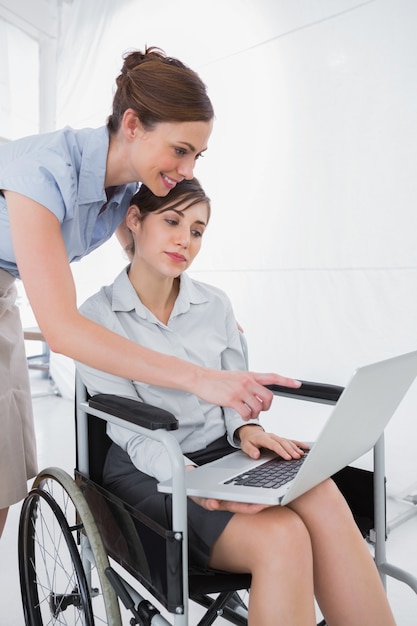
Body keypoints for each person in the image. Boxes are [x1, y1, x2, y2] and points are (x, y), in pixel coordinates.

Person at [0, 46, 298, 538]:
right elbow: (62, 330)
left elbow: (142, 255)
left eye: (197, 155)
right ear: (133, 124)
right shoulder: (44, 174)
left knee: (5, 480)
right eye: (180, 150)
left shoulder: (124, 189)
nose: (188, 168)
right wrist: (199, 377)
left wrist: (198, 312)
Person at [76, 179, 396, 626]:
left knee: (321, 491)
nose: (184, 240)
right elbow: (131, 433)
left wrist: (248, 430)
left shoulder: (214, 305)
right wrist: (194, 482)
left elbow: (233, 395)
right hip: (154, 472)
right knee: (282, 537)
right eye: (172, 221)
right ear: (135, 220)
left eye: (197, 230)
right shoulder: (96, 318)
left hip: (225, 456)